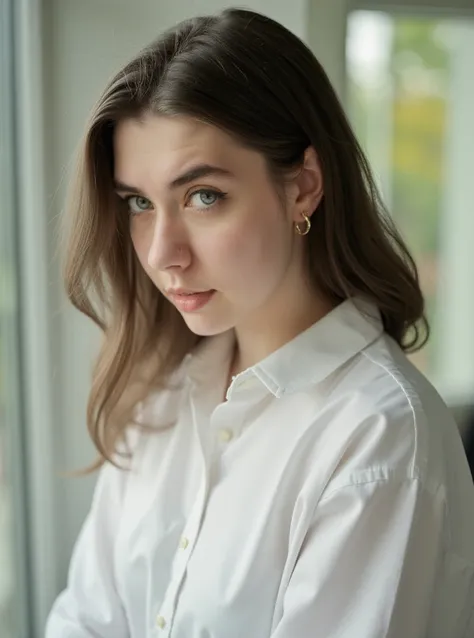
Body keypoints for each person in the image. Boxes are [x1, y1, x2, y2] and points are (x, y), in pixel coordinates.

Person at [45, 8, 474, 638]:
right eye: (139, 202)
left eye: (203, 196)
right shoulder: (161, 395)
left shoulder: (380, 439)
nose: (163, 253)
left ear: (302, 186)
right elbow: (81, 620)